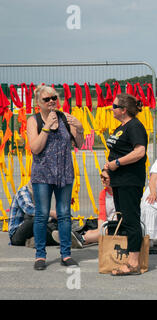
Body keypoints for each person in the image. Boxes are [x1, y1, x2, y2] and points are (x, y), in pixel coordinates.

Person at [27, 85, 84, 271]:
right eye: (46, 99)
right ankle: (40, 256)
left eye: (54, 98)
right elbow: (35, 148)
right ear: (38, 103)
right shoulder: (33, 120)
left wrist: (80, 127)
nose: (51, 101)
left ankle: (66, 254)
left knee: (64, 214)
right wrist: (46, 127)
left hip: (65, 172)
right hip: (42, 174)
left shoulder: (64, 118)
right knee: (42, 214)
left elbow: (79, 145)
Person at [103, 93, 148, 276]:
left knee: (130, 219)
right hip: (118, 180)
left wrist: (118, 163)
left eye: (114, 106)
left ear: (123, 110)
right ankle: (128, 258)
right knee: (123, 218)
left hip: (130, 180)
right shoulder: (120, 128)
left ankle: (134, 263)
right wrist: (107, 170)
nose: (111, 109)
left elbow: (140, 152)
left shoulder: (135, 126)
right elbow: (114, 153)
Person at [69, 169, 117, 246]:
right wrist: (100, 229)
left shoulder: (120, 193)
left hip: (117, 224)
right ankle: (83, 239)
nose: (102, 180)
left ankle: (82, 239)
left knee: (103, 232)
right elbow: (102, 214)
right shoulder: (103, 194)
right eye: (101, 177)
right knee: (91, 232)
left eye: (105, 178)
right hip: (108, 224)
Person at [8, 182, 58, 247]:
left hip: (31, 230)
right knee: (36, 220)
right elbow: (30, 209)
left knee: (56, 220)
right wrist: (51, 213)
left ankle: (35, 240)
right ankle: (58, 239)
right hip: (16, 235)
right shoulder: (23, 192)